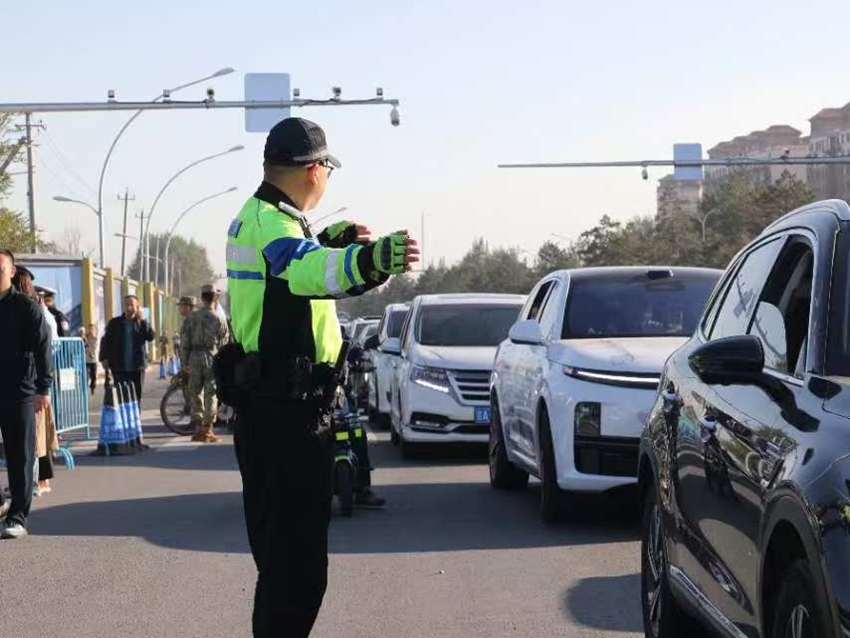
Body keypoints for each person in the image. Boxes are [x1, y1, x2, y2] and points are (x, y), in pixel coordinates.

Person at [226, 116, 418, 637]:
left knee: (284, 566)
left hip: (274, 408)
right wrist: (370, 261)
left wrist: (329, 238)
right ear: (314, 170)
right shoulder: (274, 227)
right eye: (327, 169)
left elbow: (289, 272)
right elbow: (309, 272)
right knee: (297, 571)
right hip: (287, 414)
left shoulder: (261, 216)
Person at [0, 249, 53, 539]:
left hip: (20, 390)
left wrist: (43, 387)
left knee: (19, 455)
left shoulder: (25, 307)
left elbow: (44, 346)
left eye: (0, 268)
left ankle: (17, 517)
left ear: (10, 272)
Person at [180, 285, 228, 443]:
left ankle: (198, 428)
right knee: (211, 394)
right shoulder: (219, 319)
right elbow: (224, 343)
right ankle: (207, 429)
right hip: (211, 357)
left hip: (194, 357)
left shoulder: (191, 318)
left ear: (202, 298)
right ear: (214, 298)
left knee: (195, 393)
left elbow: (184, 342)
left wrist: (184, 361)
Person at [98, 295, 155, 400]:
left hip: (137, 367)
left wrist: (143, 321)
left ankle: (135, 416)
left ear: (137, 307)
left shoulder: (141, 323)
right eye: (126, 305)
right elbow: (105, 341)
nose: (128, 307)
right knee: (120, 397)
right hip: (119, 367)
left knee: (136, 396)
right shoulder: (114, 323)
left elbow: (150, 337)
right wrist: (103, 358)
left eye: (131, 305)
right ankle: (122, 416)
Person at [81, 324, 98, 394]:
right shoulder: (85, 337)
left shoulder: (95, 338)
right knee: (85, 375)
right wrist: (83, 338)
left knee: (93, 376)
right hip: (86, 360)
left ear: (94, 330)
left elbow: (94, 347)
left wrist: (87, 343)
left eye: (92, 329)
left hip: (93, 360)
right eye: (89, 329)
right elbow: (83, 345)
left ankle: (92, 387)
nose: (91, 330)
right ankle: (84, 388)